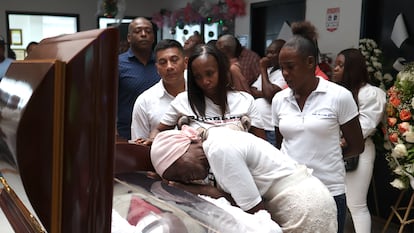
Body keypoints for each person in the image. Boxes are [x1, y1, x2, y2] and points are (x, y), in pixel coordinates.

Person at [150, 126, 338, 233]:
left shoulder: (218, 150)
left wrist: (201, 191)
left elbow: (255, 212)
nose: (185, 179)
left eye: (178, 169)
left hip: (302, 206)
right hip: (305, 200)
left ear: (187, 144)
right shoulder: (215, 141)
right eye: (176, 178)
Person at [271, 34, 365, 233]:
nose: (285, 74)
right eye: (281, 68)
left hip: (329, 189)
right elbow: (283, 143)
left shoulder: (339, 96)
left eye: (290, 66)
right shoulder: (279, 100)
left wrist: (326, 157)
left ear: (310, 62)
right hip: (290, 189)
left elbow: (357, 145)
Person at [141, 43, 265, 145]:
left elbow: (262, 144)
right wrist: (152, 140)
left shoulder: (245, 100)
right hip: (199, 173)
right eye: (198, 77)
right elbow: (159, 129)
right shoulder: (183, 100)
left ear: (221, 70)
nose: (205, 81)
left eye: (209, 73)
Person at [331, 48, 386, 233]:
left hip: (359, 152)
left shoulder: (371, 93)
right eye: (335, 64)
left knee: (356, 204)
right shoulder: (335, 92)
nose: (335, 69)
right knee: (335, 201)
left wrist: (341, 140)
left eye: (340, 65)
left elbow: (366, 125)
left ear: (352, 69)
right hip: (334, 151)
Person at [131, 39, 187, 140]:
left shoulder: (200, 92)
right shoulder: (144, 101)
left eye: (174, 60)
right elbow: (139, 146)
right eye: (163, 62)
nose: (169, 67)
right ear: (157, 68)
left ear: (185, 63)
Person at [117, 17, 161, 140]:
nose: (143, 34)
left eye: (148, 31)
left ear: (153, 37)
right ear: (129, 38)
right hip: (126, 132)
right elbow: (108, 102)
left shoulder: (161, 63)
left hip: (161, 132)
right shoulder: (117, 64)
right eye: (138, 31)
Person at [250, 39, 286, 145]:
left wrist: (262, 68)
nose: (268, 56)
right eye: (268, 52)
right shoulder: (269, 71)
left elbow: (269, 95)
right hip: (259, 125)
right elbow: (252, 90)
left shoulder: (283, 73)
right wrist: (265, 92)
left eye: (272, 52)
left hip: (271, 127)